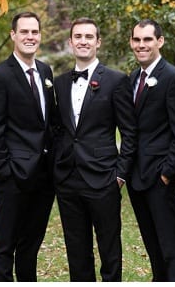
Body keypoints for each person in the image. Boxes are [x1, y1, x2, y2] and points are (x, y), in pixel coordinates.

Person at [51, 17, 136, 282]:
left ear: (98, 42)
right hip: (68, 180)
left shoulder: (116, 80)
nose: (83, 41)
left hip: (104, 178)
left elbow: (130, 132)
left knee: (110, 250)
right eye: (78, 36)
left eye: (89, 37)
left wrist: (120, 175)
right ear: (71, 42)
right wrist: (58, 168)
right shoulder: (61, 82)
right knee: (77, 252)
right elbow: (58, 130)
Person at [0, 11, 56, 282]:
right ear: (13, 35)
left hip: (44, 177)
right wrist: (4, 173)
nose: (30, 37)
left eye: (34, 32)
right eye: (24, 32)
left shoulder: (46, 71)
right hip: (14, 176)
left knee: (31, 245)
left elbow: (48, 123)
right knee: (5, 244)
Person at [126, 19, 175, 281]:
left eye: (147, 40)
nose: (141, 45)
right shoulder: (133, 78)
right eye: (137, 40)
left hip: (160, 179)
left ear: (160, 41)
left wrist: (167, 173)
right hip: (137, 178)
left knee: (170, 246)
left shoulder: (173, 77)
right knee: (152, 245)